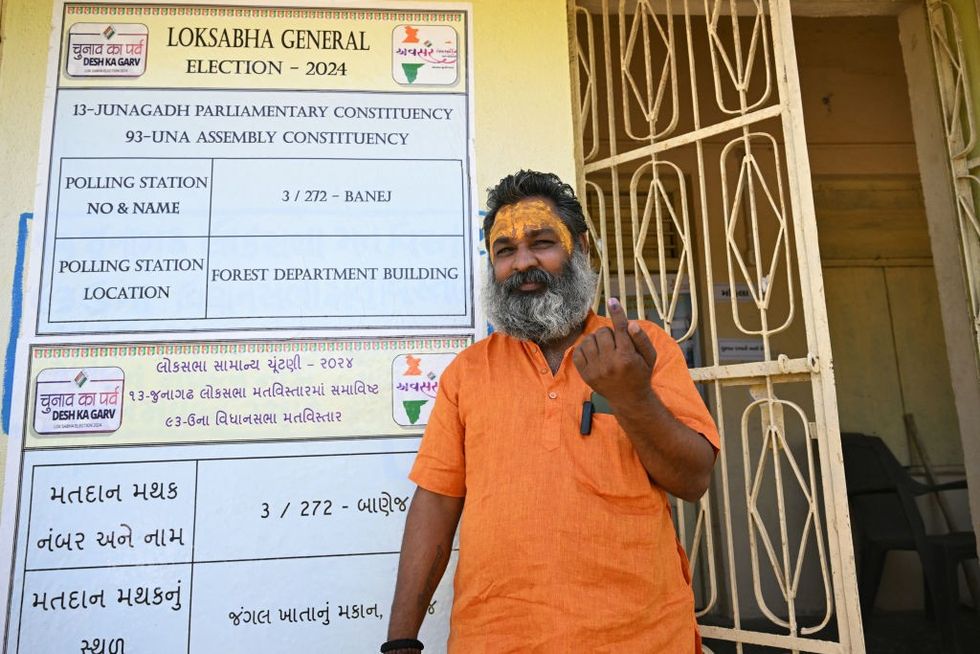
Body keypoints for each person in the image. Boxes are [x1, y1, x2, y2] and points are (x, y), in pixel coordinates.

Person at [381, 170, 719, 654]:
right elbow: (436, 503)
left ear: (581, 248)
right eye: (505, 251)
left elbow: (694, 480)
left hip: (640, 639)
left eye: (542, 242)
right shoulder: (468, 373)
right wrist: (400, 640)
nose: (523, 263)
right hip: (494, 640)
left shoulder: (643, 349)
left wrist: (631, 396)